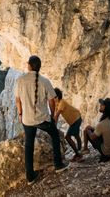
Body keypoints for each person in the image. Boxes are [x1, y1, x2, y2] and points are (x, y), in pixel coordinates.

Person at [15, 55, 69, 184]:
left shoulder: (20, 80)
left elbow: (18, 100)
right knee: (55, 135)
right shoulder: (45, 81)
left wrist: (20, 114)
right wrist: (52, 115)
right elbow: (52, 100)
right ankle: (58, 165)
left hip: (27, 119)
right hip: (42, 118)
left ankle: (30, 176)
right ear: (39, 67)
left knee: (29, 145)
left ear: (29, 65)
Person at [81, 98, 110, 162]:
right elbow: (107, 130)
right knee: (93, 130)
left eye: (103, 105)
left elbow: (92, 137)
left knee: (87, 131)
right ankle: (85, 149)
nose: (100, 105)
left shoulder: (102, 124)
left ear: (107, 108)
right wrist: (93, 129)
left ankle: (85, 149)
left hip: (108, 153)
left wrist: (88, 130)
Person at [53, 88, 83, 161]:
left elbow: (57, 116)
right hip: (74, 120)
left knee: (67, 137)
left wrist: (53, 127)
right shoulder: (57, 103)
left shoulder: (62, 102)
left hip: (76, 119)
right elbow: (55, 115)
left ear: (57, 96)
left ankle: (78, 154)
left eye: (54, 97)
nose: (53, 99)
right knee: (76, 135)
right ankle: (79, 152)